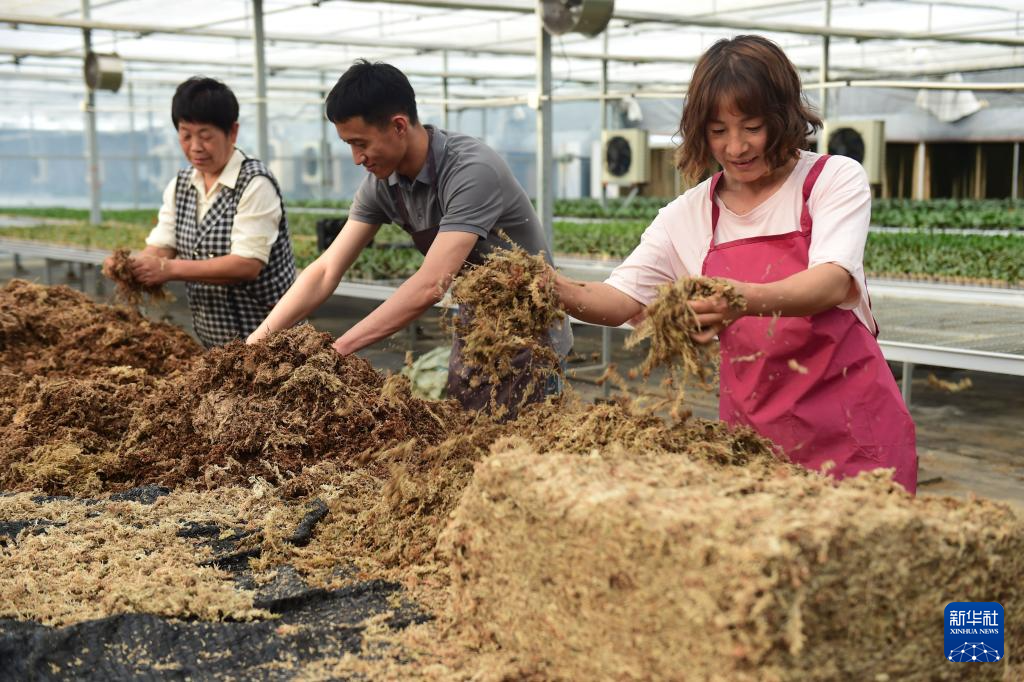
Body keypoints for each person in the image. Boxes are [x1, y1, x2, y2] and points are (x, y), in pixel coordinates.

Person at [553, 35, 917, 493]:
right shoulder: (687, 215)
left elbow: (829, 282)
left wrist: (736, 299)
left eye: (752, 126)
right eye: (718, 131)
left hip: (855, 435)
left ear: (783, 118)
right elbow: (617, 299)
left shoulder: (831, 179)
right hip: (756, 445)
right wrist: (547, 287)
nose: (737, 146)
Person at [246, 60, 572, 414]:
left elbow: (431, 283)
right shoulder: (382, 184)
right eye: (348, 145)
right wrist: (258, 341)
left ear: (398, 125)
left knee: (523, 452)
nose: (356, 158)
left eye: (361, 143)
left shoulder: (470, 170)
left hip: (530, 336)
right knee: (471, 447)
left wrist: (337, 350)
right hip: (474, 332)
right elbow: (326, 270)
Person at [109, 76, 297, 348]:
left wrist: (168, 269)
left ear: (232, 132)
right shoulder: (181, 185)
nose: (195, 147)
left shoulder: (255, 183)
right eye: (185, 135)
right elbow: (162, 246)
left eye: (205, 136)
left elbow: (246, 265)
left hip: (272, 344)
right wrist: (130, 266)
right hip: (215, 344)